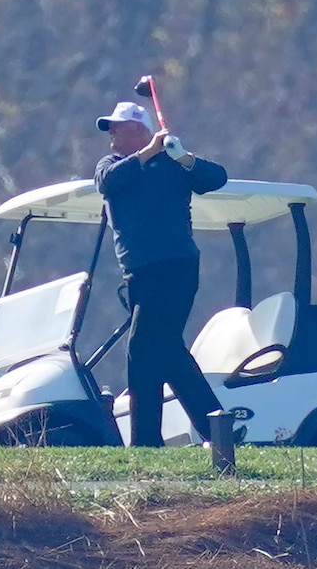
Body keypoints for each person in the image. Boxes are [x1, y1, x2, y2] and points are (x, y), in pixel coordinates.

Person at [94, 101, 227, 447]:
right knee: (165, 351)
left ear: (138, 129)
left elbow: (216, 178)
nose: (110, 133)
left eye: (117, 127)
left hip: (174, 268)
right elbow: (108, 183)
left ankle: (146, 443)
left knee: (142, 349)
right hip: (138, 275)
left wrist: (185, 158)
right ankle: (218, 427)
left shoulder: (172, 163)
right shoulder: (111, 166)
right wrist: (149, 153)